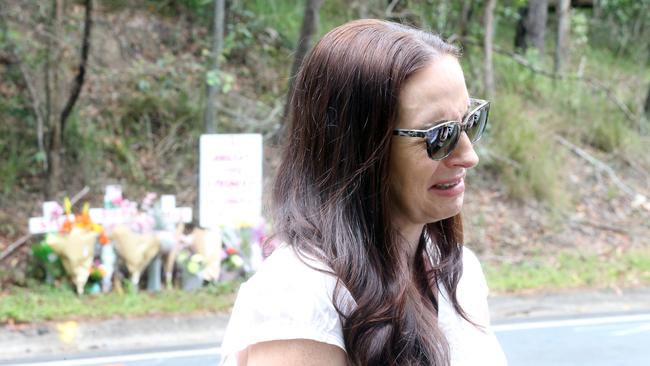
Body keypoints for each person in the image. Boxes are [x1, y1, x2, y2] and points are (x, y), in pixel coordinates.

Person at [220, 19, 507, 366]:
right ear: (359, 149)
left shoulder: (458, 273)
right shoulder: (300, 298)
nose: (468, 156)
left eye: (470, 122)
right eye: (438, 135)